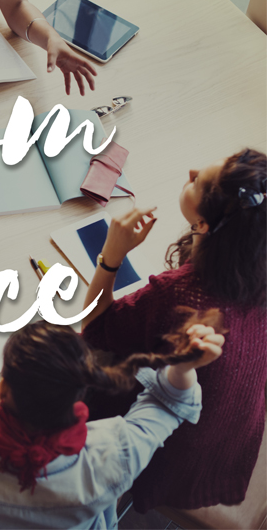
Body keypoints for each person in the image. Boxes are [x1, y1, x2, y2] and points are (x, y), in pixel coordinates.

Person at [0, 320, 224, 528]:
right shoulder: (116, 453)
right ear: (78, 398)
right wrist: (183, 367)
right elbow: (169, 404)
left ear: (3, 388)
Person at [81, 148, 267, 512]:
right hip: (227, 445)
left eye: (198, 181)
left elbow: (94, 327)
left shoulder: (180, 293)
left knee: (72, 361)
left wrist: (111, 257)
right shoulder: (253, 266)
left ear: (205, 225)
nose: (191, 169)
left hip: (169, 451)